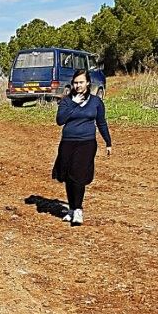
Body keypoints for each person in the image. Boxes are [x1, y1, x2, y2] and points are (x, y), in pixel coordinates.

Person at [52, 69, 112, 226]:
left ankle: (78, 210)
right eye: (76, 82)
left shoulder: (96, 102)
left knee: (78, 175)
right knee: (68, 176)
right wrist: (73, 103)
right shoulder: (66, 101)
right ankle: (71, 209)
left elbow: (101, 122)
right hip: (68, 142)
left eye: (81, 82)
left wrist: (108, 141)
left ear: (88, 83)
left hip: (86, 142)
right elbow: (60, 120)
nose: (78, 85)